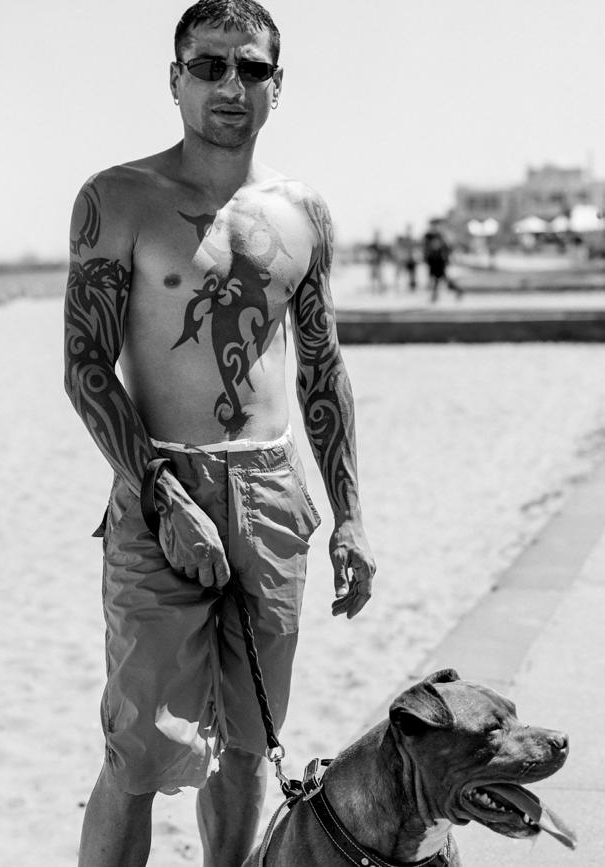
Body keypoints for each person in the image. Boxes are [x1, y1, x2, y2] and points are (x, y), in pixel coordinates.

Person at [63, 2, 376, 865]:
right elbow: (86, 369)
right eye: (209, 66)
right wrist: (164, 496)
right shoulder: (117, 198)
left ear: (279, 83)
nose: (230, 85)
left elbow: (321, 368)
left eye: (252, 68)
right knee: (139, 752)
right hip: (162, 484)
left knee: (246, 741)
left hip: (273, 491)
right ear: (175, 79)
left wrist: (349, 514)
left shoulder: (300, 210)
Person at [422, 219, 463, 302]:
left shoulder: (440, 236)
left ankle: (456, 290)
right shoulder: (428, 236)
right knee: (437, 279)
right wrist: (426, 258)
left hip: (439, 261)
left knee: (440, 279)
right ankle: (435, 295)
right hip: (432, 261)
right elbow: (426, 249)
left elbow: (447, 248)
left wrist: (447, 259)